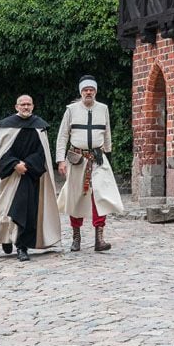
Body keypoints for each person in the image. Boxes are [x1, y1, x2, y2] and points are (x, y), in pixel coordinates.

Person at [0, 94, 61, 262]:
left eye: (29, 104)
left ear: (33, 106)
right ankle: (6, 239)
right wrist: (14, 164)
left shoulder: (39, 126)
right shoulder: (7, 126)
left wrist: (27, 165)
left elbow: (42, 154)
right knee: (5, 210)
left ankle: (22, 246)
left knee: (25, 211)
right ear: (16, 107)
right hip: (10, 177)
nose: (26, 107)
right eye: (22, 104)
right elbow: (2, 154)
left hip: (30, 175)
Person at [56, 76, 123, 252]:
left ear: (95, 91)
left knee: (100, 195)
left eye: (91, 89)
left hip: (98, 159)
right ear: (81, 91)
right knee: (75, 196)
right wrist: (60, 160)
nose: (88, 92)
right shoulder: (71, 110)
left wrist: (108, 152)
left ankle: (99, 238)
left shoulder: (103, 109)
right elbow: (63, 135)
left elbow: (107, 131)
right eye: (85, 89)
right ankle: (76, 237)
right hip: (77, 159)